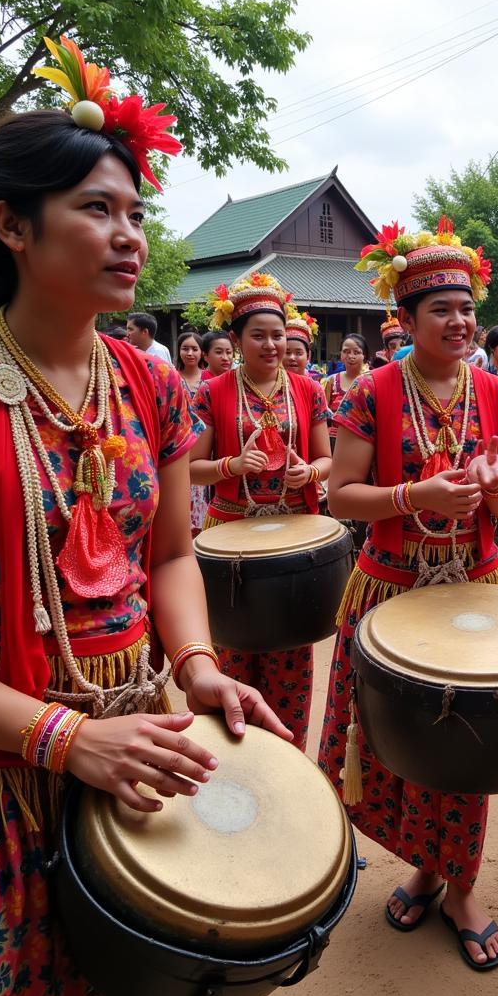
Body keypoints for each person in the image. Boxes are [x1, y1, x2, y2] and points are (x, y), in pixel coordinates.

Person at [0, 37, 291, 994]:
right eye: (97, 209)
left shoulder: (147, 380)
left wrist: (199, 667)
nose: (132, 235)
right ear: (13, 227)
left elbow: (173, 554)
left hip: (138, 743)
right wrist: (63, 739)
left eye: (136, 211)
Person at [321, 217, 498, 971]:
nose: (460, 321)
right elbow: (342, 497)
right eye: (440, 308)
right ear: (403, 321)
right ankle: (423, 864)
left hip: (474, 592)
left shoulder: (497, 391)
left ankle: (460, 883)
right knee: (394, 746)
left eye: (466, 306)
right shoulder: (371, 390)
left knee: (467, 744)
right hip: (389, 593)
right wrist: (416, 496)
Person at [189, 274, 332, 750]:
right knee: (231, 650)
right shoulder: (212, 392)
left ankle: (288, 760)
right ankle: (231, 761)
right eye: (259, 335)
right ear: (235, 340)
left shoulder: (308, 390)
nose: (272, 344)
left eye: (278, 334)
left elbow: (326, 459)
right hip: (231, 536)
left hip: (291, 538)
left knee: (290, 653)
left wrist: (308, 474)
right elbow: (191, 469)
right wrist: (233, 464)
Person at [177, 330, 209, 533]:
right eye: (185, 348)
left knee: (200, 486)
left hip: (202, 440)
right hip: (179, 441)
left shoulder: (207, 380)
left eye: (194, 349)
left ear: (202, 353)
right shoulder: (171, 376)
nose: (190, 353)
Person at [322, 332, 369, 449]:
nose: (351, 356)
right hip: (333, 441)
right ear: (341, 355)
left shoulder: (370, 382)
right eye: (346, 351)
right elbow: (322, 413)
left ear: (365, 356)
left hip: (361, 440)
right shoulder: (331, 381)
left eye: (356, 352)